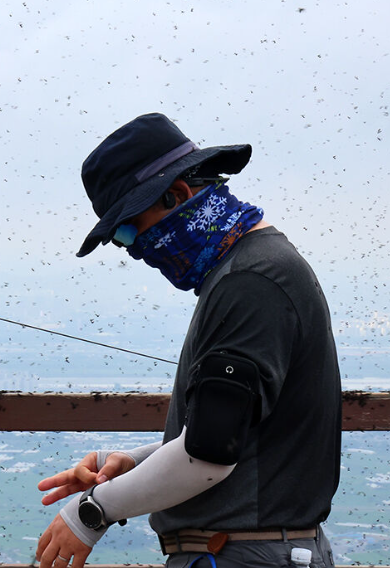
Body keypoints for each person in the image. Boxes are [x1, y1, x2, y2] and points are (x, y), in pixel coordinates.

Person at [35, 113, 342, 568]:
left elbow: (209, 457)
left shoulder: (251, 282)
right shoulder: (253, 270)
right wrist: (133, 464)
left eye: (126, 229)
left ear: (178, 196)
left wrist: (92, 513)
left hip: (243, 556)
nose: (131, 248)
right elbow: (229, 438)